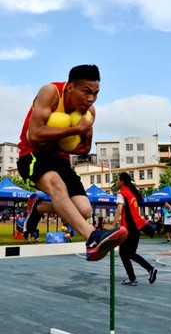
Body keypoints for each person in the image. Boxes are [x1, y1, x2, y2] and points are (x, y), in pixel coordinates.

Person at [16, 64, 127, 260]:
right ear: (70, 88)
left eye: (95, 93)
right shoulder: (50, 92)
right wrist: (73, 131)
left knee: (83, 210)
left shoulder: (89, 112)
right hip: (32, 154)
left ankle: (39, 206)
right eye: (86, 92)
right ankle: (92, 237)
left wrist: (65, 138)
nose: (91, 98)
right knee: (57, 185)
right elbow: (34, 135)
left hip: (60, 160)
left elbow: (84, 149)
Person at [113, 172, 157, 286]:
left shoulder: (122, 193)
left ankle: (132, 278)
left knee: (124, 254)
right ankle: (150, 269)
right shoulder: (132, 194)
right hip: (136, 229)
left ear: (122, 181)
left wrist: (112, 227)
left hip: (128, 229)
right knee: (130, 253)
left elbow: (118, 211)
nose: (117, 182)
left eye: (118, 180)